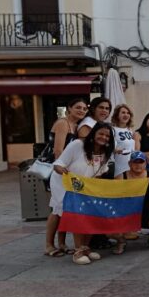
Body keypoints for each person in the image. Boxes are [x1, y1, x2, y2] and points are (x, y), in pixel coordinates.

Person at [51, 122, 115, 265]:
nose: (104, 137)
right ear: (93, 134)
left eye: (107, 136)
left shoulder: (105, 152)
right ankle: (78, 251)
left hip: (87, 187)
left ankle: (86, 247)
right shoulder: (77, 145)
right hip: (65, 185)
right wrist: (62, 171)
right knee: (78, 215)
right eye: (101, 134)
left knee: (92, 214)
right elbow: (58, 164)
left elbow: (99, 173)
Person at [44, 98, 88, 257]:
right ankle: (49, 244)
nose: (81, 111)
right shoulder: (63, 123)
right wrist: (65, 170)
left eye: (84, 108)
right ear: (69, 108)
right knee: (57, 208)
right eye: (78, 107)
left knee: (66, 208)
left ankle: (62, 243)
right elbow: (58, 151)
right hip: (58, 172)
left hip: (68, 173)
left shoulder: (76, 126)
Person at [111, 104, 136, 178]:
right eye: (123, 112)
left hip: (131, 166)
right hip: (119, 167)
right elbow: (110, 148)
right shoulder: (112, 130)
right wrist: (115, 150)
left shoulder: (130, 130)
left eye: (128, 113)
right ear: (117, 115)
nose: (126, 115)